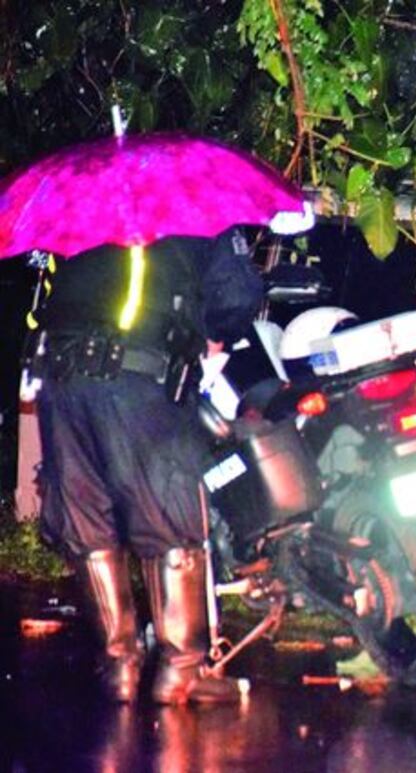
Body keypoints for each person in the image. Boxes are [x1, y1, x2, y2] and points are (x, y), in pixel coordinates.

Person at [27, 227, 263, 704]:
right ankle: (181, 670)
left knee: (87, 524)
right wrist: (217, 337)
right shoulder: (197, 210)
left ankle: (120, 665)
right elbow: (237, 294)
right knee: (171, 522)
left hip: (62, 382)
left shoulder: (80, 215)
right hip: (140, 381)